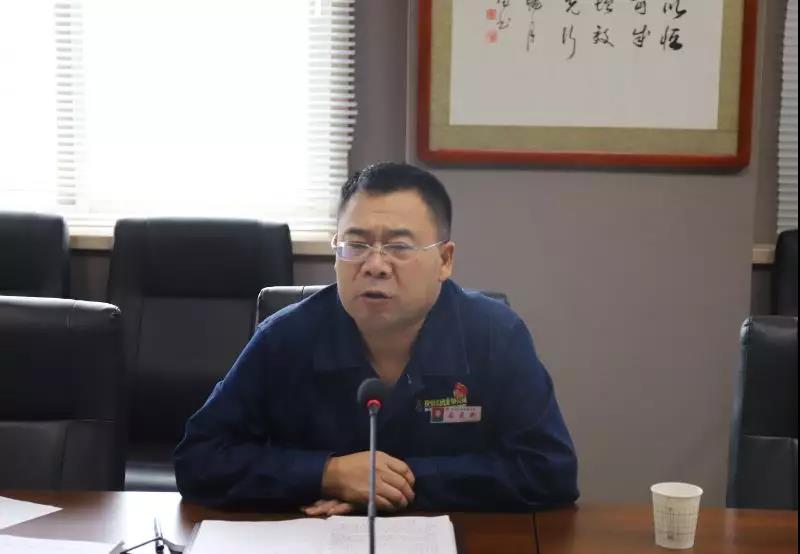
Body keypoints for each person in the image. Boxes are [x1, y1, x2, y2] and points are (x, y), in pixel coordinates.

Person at [174, 162, 578, 514]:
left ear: (445, 260)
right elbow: (199, 459)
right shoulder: (284, 338)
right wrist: (327, 474)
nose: (375, 265)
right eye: (356, 245)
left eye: (399, 247)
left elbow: (549, 471)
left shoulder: (495, 336)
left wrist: (393, 484)